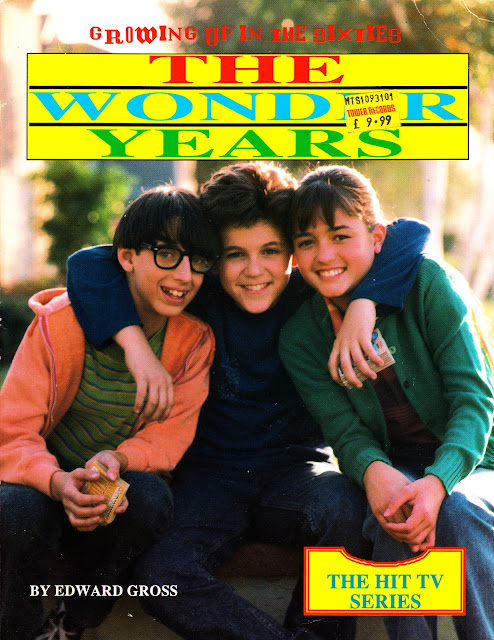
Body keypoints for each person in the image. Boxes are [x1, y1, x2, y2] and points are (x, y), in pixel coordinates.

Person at [64, 162, 430, 640]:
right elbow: (87, 262)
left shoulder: (312, 290)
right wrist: (136, 347)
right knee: (160, 575)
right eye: (235, 254)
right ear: (213, 257)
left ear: (293, 252)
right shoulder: (199, 293)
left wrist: (365, 305)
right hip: (207, 478)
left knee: (345, 511)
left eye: (271, 251)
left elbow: (411, 233)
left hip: (297, 471)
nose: (254, 270)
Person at [279, 165, 494, 640]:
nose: (324, 255)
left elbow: (474, 400)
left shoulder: (430, 283)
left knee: (458, 512)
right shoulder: (301, 335)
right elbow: (344, 431)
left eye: (340, 236)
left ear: (377, 237)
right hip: (398, 464)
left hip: (480, 461)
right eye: (307, 242)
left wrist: (438, 482)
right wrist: (376, 473)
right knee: (394, 513)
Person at [0, 186, 216, 640]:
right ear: (127, 257)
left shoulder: (193, 341)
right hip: (42, 485)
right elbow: (12, 431)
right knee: (14, 508)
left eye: (198, 260)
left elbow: (168, 436)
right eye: (166, 254)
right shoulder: (59, 323)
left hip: (109, 491)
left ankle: (71, 624)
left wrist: (117, 458)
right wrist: (56, 482)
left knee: (150, 500)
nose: (185, 275)